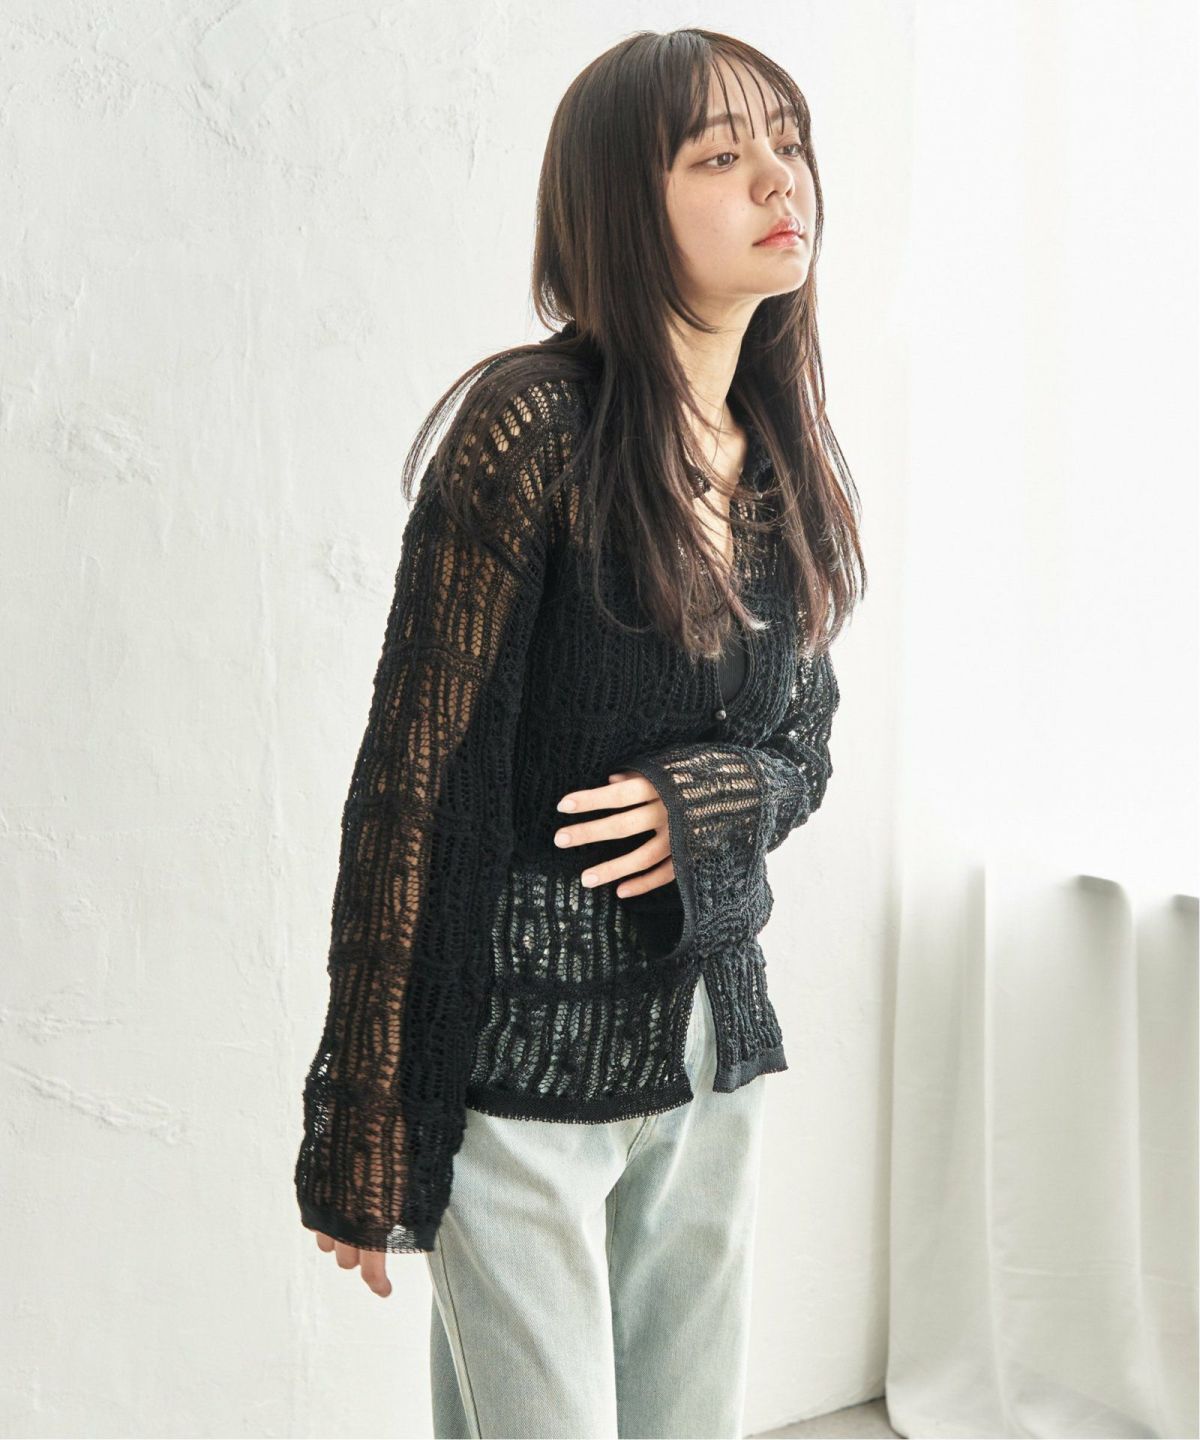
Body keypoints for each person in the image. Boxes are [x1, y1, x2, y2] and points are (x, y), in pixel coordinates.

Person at [293, 26, 866, 1440]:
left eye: (787, 142)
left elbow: (803, 746)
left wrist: (706, 798)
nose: (776, 178)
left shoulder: (780, 450)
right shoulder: (531, 430)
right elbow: (415, 782)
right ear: (620, 203)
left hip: (711, 1053)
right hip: (524, 1069)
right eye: (719, 156)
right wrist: (368, 1117)